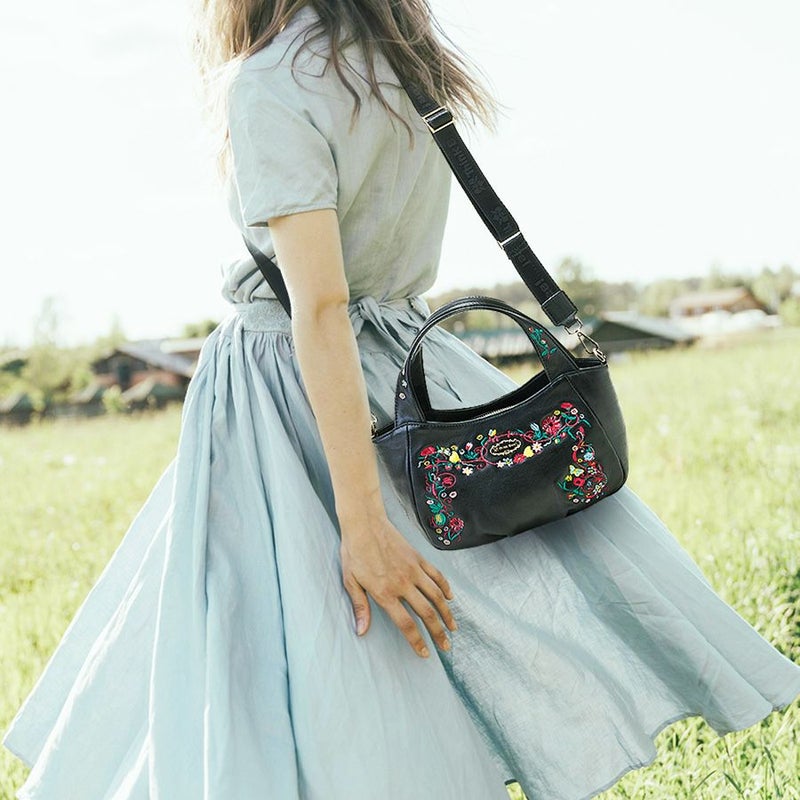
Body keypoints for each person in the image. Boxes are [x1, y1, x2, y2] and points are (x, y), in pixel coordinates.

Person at [4, 1, 800, 798]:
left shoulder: (272, 80)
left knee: (273, 651)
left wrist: (362, 522)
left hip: (290, 384)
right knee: (384, 643)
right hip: (403, 359)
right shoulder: (404, 61)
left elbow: (320, 307)